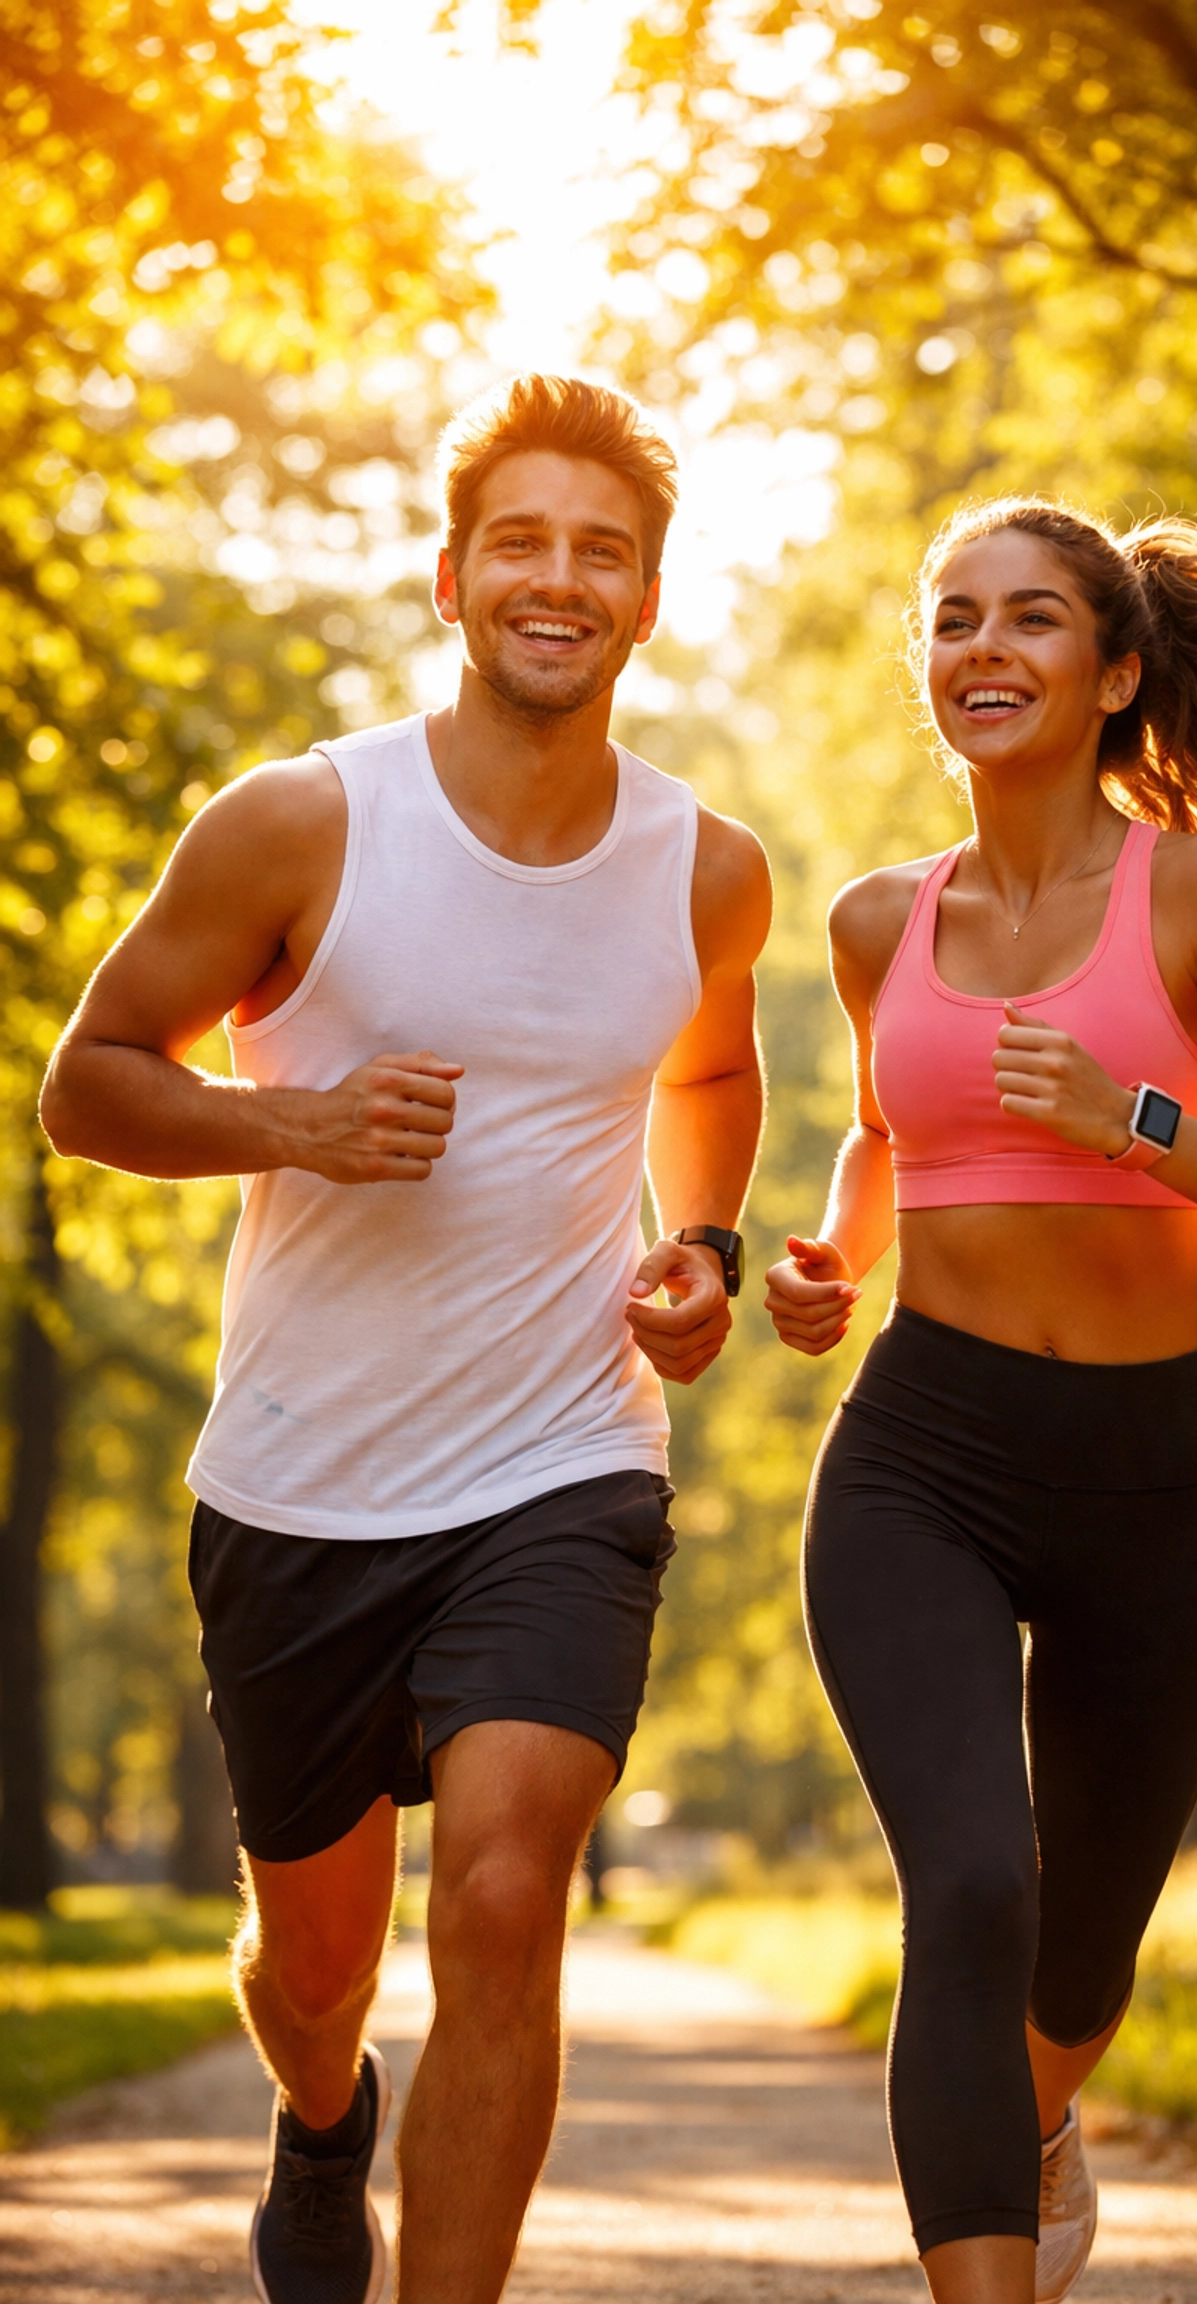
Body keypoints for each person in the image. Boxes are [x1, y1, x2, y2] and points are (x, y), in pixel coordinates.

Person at [41, 373, 771, 2304]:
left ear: (649, 597)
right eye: (521, 543)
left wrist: (697, 1246)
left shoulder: (708, 866)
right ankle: (319, 2115)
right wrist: (291, 1122)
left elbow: (708, 1069)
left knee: (513, 1890)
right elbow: (87, 1085)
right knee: (316, 1972)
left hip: (564, 1460)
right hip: (301, 1479)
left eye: (601, 550)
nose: (560, 579)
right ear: (452, 579)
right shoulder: (298, 821)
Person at [765, 497, 1197, 2304]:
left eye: (1031, 619)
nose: (985, 649)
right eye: (953, 620)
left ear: (1115, 672)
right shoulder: (877, 916)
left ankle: (1036, 2120)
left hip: (1152, 1474)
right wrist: (828, 1259)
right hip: (923, 1457)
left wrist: (1129, 1119)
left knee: (1078, 1953)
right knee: (969, 1889)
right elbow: (888, 1137)